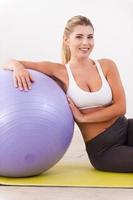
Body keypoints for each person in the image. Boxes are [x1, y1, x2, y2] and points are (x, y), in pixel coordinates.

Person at [4, 15, 133, 172]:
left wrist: (85, 117)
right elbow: (9, 61)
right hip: (104, 149)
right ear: (66, 40)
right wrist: (18, 67)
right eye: (79, 37)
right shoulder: (59, 71)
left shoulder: (106, 65)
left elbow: (121, 108)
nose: (86, 42)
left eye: (90, 37)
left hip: (126, 128)